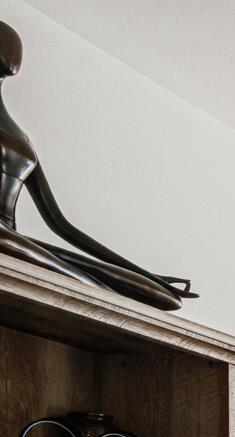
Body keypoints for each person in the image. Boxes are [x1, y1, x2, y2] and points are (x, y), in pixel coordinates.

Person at [0, 21, 195, 310]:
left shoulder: (21, 137)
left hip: (14, 238)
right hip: (7, 242)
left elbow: (61, 224)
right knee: (92, 285)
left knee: (161, 297)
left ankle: (112, 295)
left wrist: (147, 274)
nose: (13, 55)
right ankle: (106, 301)